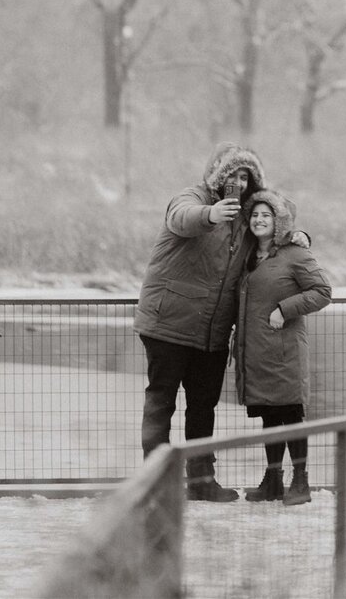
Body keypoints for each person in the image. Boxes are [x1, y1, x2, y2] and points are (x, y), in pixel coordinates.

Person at [133, 143, 308, 502]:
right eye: (232, 174)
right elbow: (180, 217)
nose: (239, 183)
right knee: (161, 401)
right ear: (217, 173)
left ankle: (200, 481)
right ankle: (154, 482)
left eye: (246, 176)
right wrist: (210, 215)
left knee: (202, 407)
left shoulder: (247, 217)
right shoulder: (193, 198)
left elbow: (278, 218)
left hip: (212, 332)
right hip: (168, 323)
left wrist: (299, 237)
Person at [234, 189, 331, 506]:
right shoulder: (249, 257)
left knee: (291, 414)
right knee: (269, 417)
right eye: (255, 215)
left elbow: (322, 291)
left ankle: (300, 481)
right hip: (258, 353)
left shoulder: (295, 254)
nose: (259, 220)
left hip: (285, 350)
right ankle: (272, 479)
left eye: (266, 215)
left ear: (278, 222)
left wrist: (284, 309)